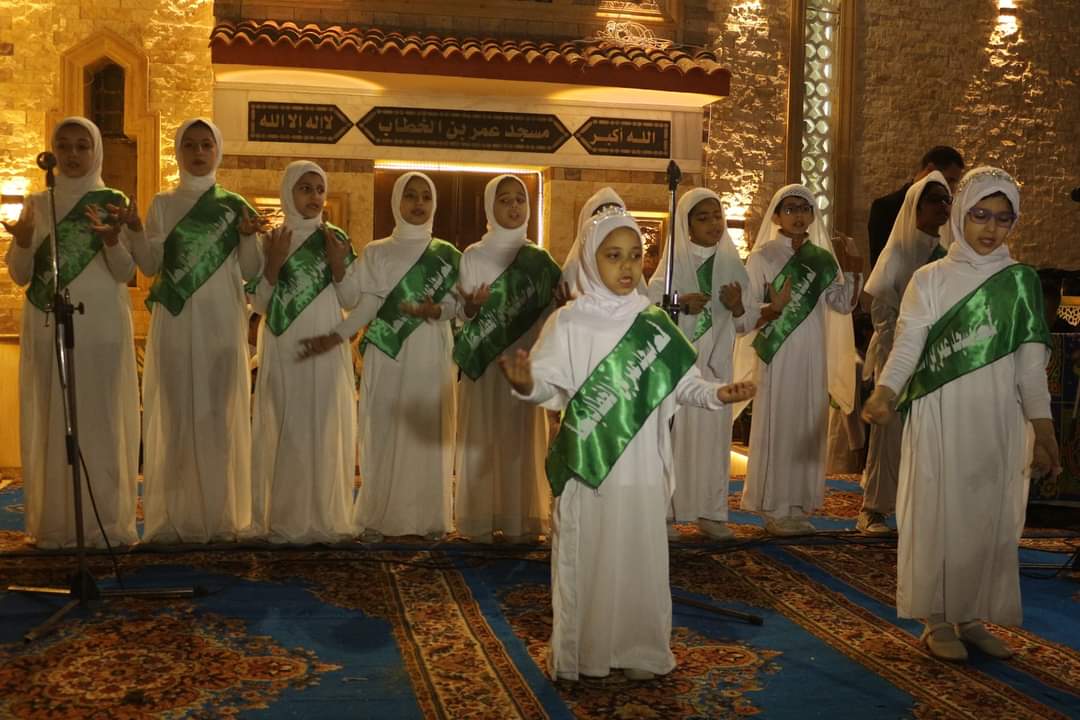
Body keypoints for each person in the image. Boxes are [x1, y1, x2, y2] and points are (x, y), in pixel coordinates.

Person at [499, 207, 755, 682]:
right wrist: (525, 384)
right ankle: (587, 654)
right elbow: (547, 387)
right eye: (613, 255)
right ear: (590, 258)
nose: (626, 266)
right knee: (591, 560)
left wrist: (719, 393)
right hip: (589, 467)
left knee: (640, 561)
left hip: (642, 470)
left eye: (635, 256)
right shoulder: (569, 323)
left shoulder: (653, 323)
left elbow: (685, 384)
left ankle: (640, 650)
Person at [862, 167, 1059, 662]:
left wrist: (1043, 427)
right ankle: (936, 618)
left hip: (999, 418)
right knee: (939, 512)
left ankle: (969, 616)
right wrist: (885, 392)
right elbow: (908, 346)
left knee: (986, 516)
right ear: (959, 215)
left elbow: (1030, 367)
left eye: (1003, 218)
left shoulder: (1020, 282)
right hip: (941, 414)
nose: (991, 228)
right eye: (980, 215)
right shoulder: (930, 279)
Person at [301, 172, 461, 542]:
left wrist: (437, 310)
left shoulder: (448, 255)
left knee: (426, 432)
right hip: (387, 353)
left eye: (425, 197)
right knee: (384, 430)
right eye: (410, 196)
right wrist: (337, 334)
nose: (418, 203)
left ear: (434, 203)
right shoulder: (376, 251)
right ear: (396, 201)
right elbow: (365, 303)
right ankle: (381, 516)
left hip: (430, 352)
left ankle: (428, 518)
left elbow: (458, 306)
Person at [3, 117, 139, 548]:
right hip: (48, 324)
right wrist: (24, 240)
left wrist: (112, 240)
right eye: (64, 146)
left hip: (102, 324)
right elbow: (21, 275)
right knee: (54, 416)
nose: (73, 154)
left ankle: (104, 524)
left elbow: (126, 272)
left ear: (96, 151)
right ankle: (57, 524)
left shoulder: (113, 202)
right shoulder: (37, 202)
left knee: (100, 417)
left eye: (83, 145)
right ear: (53, 152)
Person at [132, 118, 266, 543]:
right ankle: (177, 517)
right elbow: (149, 265)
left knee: (218, 417)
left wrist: (248, 238)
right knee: (177, 417)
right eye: (189, 144)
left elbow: (252, 270)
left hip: (222, 321)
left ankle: (220, 516)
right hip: (175, 321)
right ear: (178, 151)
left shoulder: (233, 205)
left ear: (217, 150)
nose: (198, 152)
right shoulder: (162, 204)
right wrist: (134, 232)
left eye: (206, 144)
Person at [738, 185, 863, 536]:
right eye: (790, 208)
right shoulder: (762, 257)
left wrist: (853, 270)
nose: (798, 215)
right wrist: (772, 307)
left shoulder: (821, 259)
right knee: (779, 425)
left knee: (806, 424)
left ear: (812, 215)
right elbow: (747, 310)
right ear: (777, 215)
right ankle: (774, 506)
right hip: (778, 355)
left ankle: (797, 504)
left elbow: (842, 304)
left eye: (804, 208)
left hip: (812, 354)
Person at [249, 161, 361, 543]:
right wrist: (274, 263)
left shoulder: (335, 237)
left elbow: (351, 298)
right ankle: (286, 519)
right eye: (305, 188)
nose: (314, 197)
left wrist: (338, 264)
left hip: (324, 342)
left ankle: (323, 518)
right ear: (288, 192)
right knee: (287, 426)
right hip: (283, 343)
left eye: (319, 189)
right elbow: (259, 304)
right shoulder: (272, 238)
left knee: (323, 425)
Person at [453, 175, 560, 542]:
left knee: (519, 441)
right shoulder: (473, 255)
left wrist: (562, 304)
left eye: (520, 199)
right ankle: (480, 518)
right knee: (483, 439)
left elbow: (551, 315)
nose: (514, 207)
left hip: (523, 361)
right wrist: (471, 307)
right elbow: (461, 315)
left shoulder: (540, 261)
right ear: (490, 206)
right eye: (505, 200)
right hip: (484, 362)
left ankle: (519, 520)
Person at [646, 188, 748, 541]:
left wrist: (737, 306)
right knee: (674, 438)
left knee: (714, 440)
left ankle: (711, 513)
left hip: (716, 366)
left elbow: (745, 322)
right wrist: (679, 303)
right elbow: (650, 307)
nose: (713, 224)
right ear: (687, 224)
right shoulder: (674, 262)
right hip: (680, 364)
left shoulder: (733, 263)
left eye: (717, 216)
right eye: (703, 218)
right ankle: (666, 514)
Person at [858, 172, 952, 535]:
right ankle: (874, 509)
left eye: (947, 200)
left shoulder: (951, 253)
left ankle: (923, 510)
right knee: (890, 434)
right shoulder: (898, 251)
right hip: (899, 353)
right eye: (935, 200)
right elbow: (882, 311)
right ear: (917, 206)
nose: (943, 206)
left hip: (940, 358)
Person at [868, 146, 964, 269]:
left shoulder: (947, 208)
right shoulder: (885, 207)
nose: (951, 188)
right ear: (930, 170)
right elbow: (880, 263)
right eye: (949, 180)